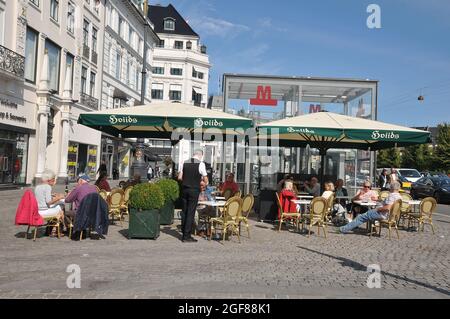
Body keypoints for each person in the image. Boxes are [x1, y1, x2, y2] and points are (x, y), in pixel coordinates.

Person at [178, 149, 208, 243]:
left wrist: (187, 180)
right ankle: (186, 236)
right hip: (194, 190)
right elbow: (205, 179)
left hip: (184, 189)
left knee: (185, 211)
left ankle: (184, 232)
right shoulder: (201, 164)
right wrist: (203, 183)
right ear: (200, 155)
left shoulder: (184, 162)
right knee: (191, 212)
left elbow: (179, 177)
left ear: (193, 154)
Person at [34, 169, 65, 237]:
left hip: (37, 210)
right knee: (61, 206)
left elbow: (41, 197)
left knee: (57, 207)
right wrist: (59, 197)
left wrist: (51, 195)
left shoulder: (37, 187)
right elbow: (49, 202)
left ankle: (51, 229)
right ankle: (56, 230)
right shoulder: (47, 187)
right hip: (44, 211)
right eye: (53, 179)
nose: (54, 181)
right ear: (49, 180)